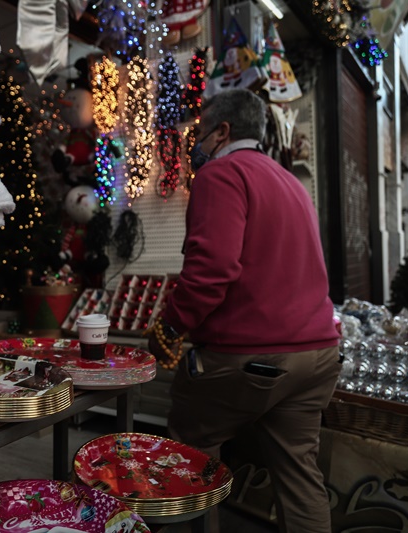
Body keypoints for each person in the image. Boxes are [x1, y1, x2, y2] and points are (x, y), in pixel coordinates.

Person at [146, 89, 341, 533]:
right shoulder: (291, 183)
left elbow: (211, 270)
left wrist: (171, 325)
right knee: (300, 476)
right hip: (317, 355)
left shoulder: (221, 175)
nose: (196, 141)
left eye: (200, 131)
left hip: (251, 357)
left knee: (188, 454)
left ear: (223, 131)